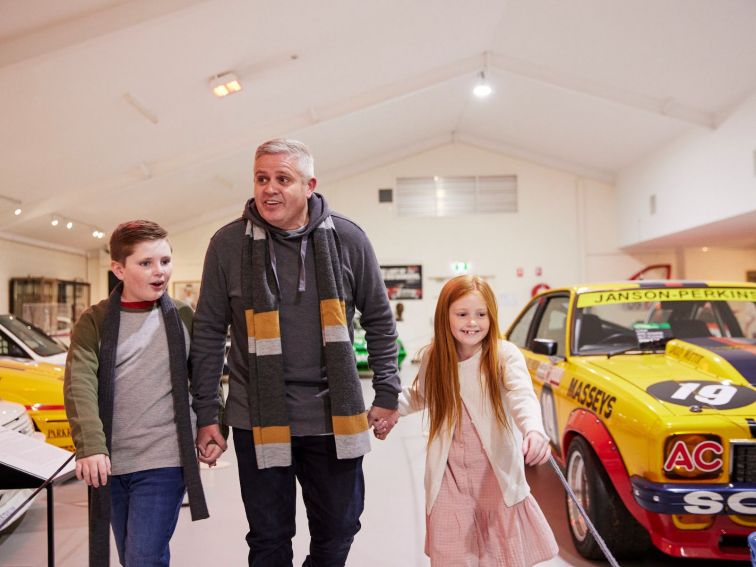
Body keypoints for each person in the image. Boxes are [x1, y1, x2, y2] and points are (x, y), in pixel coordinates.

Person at [191, 138, 401, 566]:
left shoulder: (348, 238)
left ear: (309, 185)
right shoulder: (227, 244)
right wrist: (208, 413)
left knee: (340, 527)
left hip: (332, 416)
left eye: (282, 179)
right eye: (261, 178)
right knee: (268, 538)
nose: (269, 188)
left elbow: (379, 318)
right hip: (257, 415)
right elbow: (210, 332)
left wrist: (387, 393)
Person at [63, 220, 209, 567]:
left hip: (165, 460)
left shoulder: (184, 317)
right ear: (118, 268)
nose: (159, 272)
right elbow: (79, 383)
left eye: (165, 261)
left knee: (143, 557)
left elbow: (204, 379)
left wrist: (211, 425)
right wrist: (91, 446)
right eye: (146, 263)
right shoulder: (94, 321)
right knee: (134, 556)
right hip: (110, 463)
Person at [399, 275, 558, 566]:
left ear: (491, 316)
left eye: (481, 314)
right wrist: (386, 411)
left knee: (497, 552)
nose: (472, 322)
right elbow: (418, 395)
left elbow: (522, 395)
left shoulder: (503, 355)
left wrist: (533, 430)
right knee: (451, 547)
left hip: (493, 474)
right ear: (444, 316)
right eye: (462, 314)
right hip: (449, 474)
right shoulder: (435, 357)